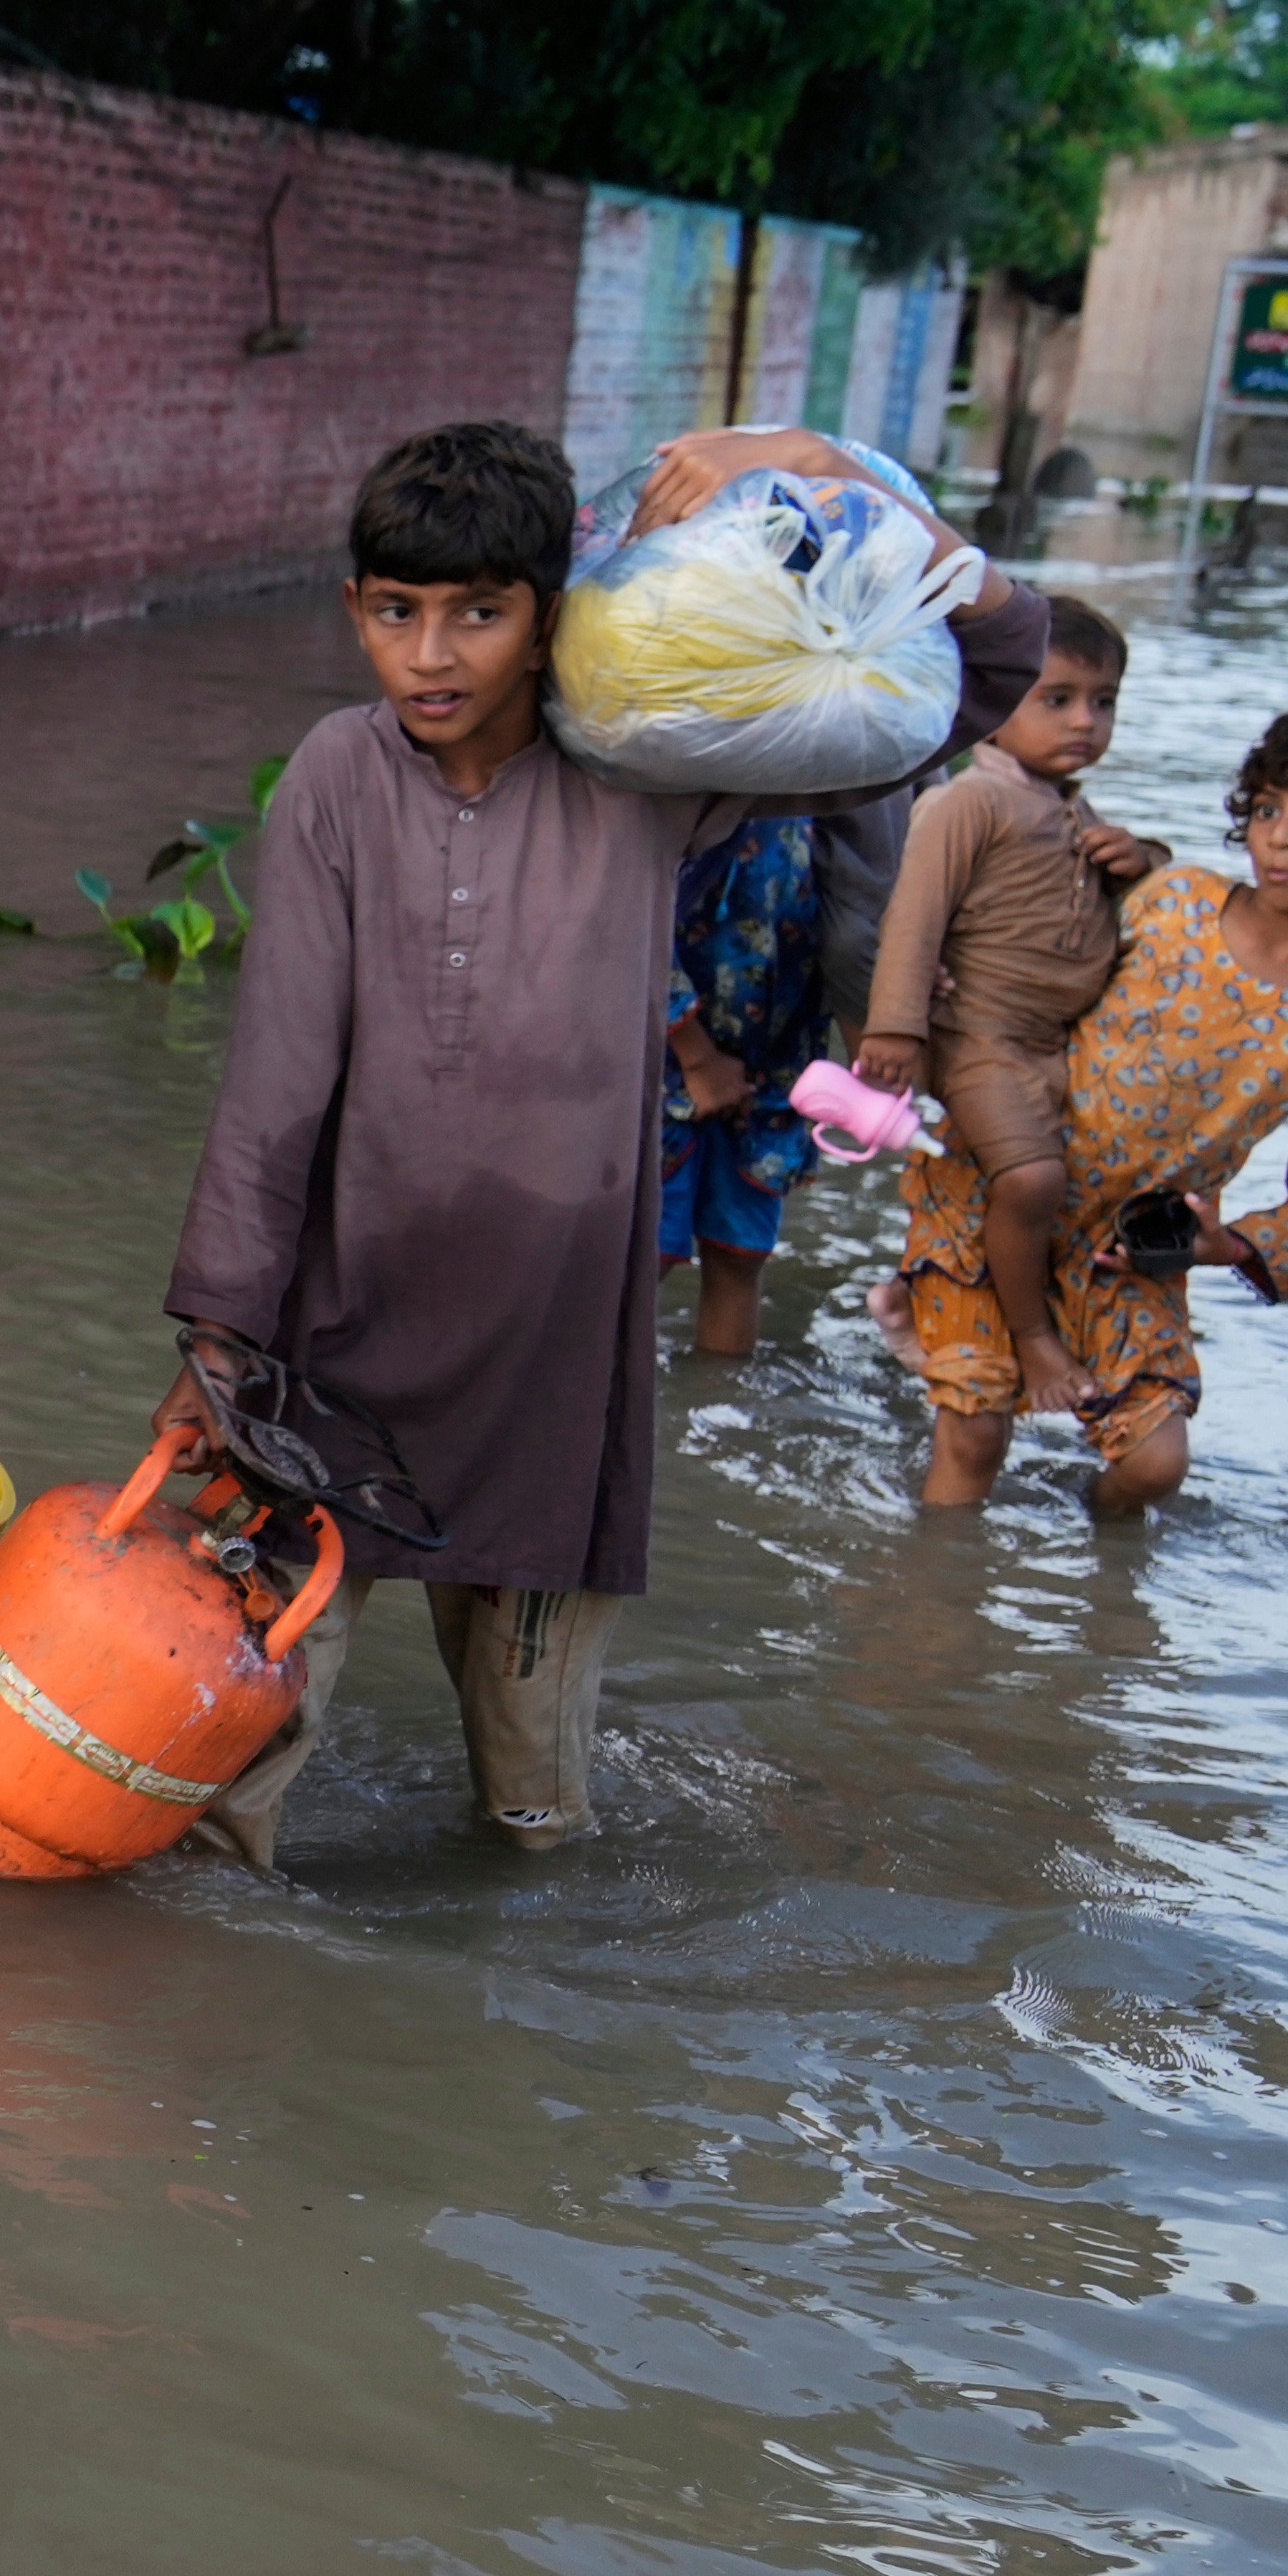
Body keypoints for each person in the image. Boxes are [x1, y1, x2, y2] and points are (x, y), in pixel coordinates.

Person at [164, 418, 1048, 1863]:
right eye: (398, 615)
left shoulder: (645, 772)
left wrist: (812, 463)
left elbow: (982, 678)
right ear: (354, 614)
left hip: (552, 1335)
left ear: (551, 620)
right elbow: (275, 1077)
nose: (433, 658)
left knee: (535, 1796)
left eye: (479, 615)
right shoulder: (338, 770)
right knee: (237, 1762)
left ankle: (509, 2019)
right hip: (336, 1316)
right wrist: (218, 1337)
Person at [905, 700, 1288, 1517]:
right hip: (997, 1182)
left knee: (1154, 1466)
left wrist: (1231, 1243)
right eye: (1267, 809)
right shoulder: (1174, 899)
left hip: (1124, 1249)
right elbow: (1034, 948)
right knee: (975, 1435)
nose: (1282, 837)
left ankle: (1097, 1599)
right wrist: (945, 980)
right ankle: (935, 1609)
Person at [854, 600, 1157, 1417]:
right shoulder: (968, 803)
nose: (1084, 722)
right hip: (980, 1036)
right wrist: (894, 1028)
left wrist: (1144, 858)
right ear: (991, 703)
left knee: (1060, 1186)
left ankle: (909, 1295)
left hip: (1054, 1046)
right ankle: (1032, 1339)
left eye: (1104, 701)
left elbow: (1155, 908)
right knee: (1030, 1180)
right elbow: (913, 916)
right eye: (1055, 699)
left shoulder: (1078, 814)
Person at [656, 814, 822, 1359]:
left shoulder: (826, 788)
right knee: (644, 1256)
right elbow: (625, 926)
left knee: (741, 1255)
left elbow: (865, 903)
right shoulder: (674, 779)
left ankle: (718, 1404)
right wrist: (696, 1056)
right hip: (663, 1060)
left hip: (773, 1066)